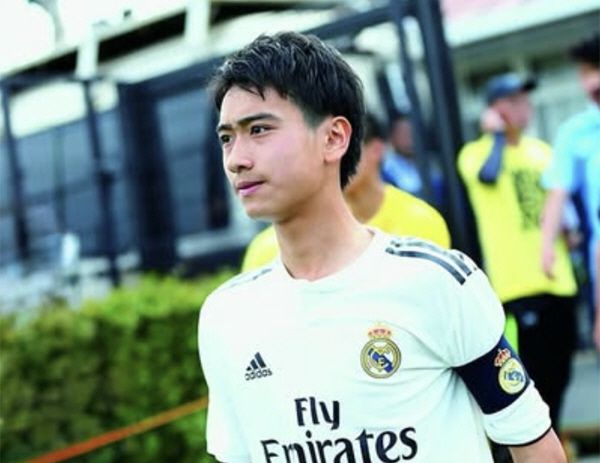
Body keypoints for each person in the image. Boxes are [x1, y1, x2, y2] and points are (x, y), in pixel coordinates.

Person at [199, 32, 566, 462]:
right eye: (227, 138)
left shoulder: (435, 281)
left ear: (334, 138)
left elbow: (538, 451)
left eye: (259, 129)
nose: (236, 159)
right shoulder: (226, 316)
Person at [457, 72, 578, 432]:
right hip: (516, 287)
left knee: (560, 373)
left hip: (559, 280)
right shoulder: (475, 154)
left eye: (524, 100)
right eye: (513, 101)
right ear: (494, 109)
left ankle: (552, 442)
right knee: (526, 382)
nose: (524, 107)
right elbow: (488, 176)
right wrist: (495, 136)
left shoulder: (542, 152)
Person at [241, 112, 451, 271]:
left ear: (376, 150)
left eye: (343, 145)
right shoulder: (267, 249)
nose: (333, 158)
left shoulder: (419, 222)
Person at [540, 33, 600, 351]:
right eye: (586, 74)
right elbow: (557, 192)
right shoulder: (576, 132)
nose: (591, 82)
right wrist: (546, 245)